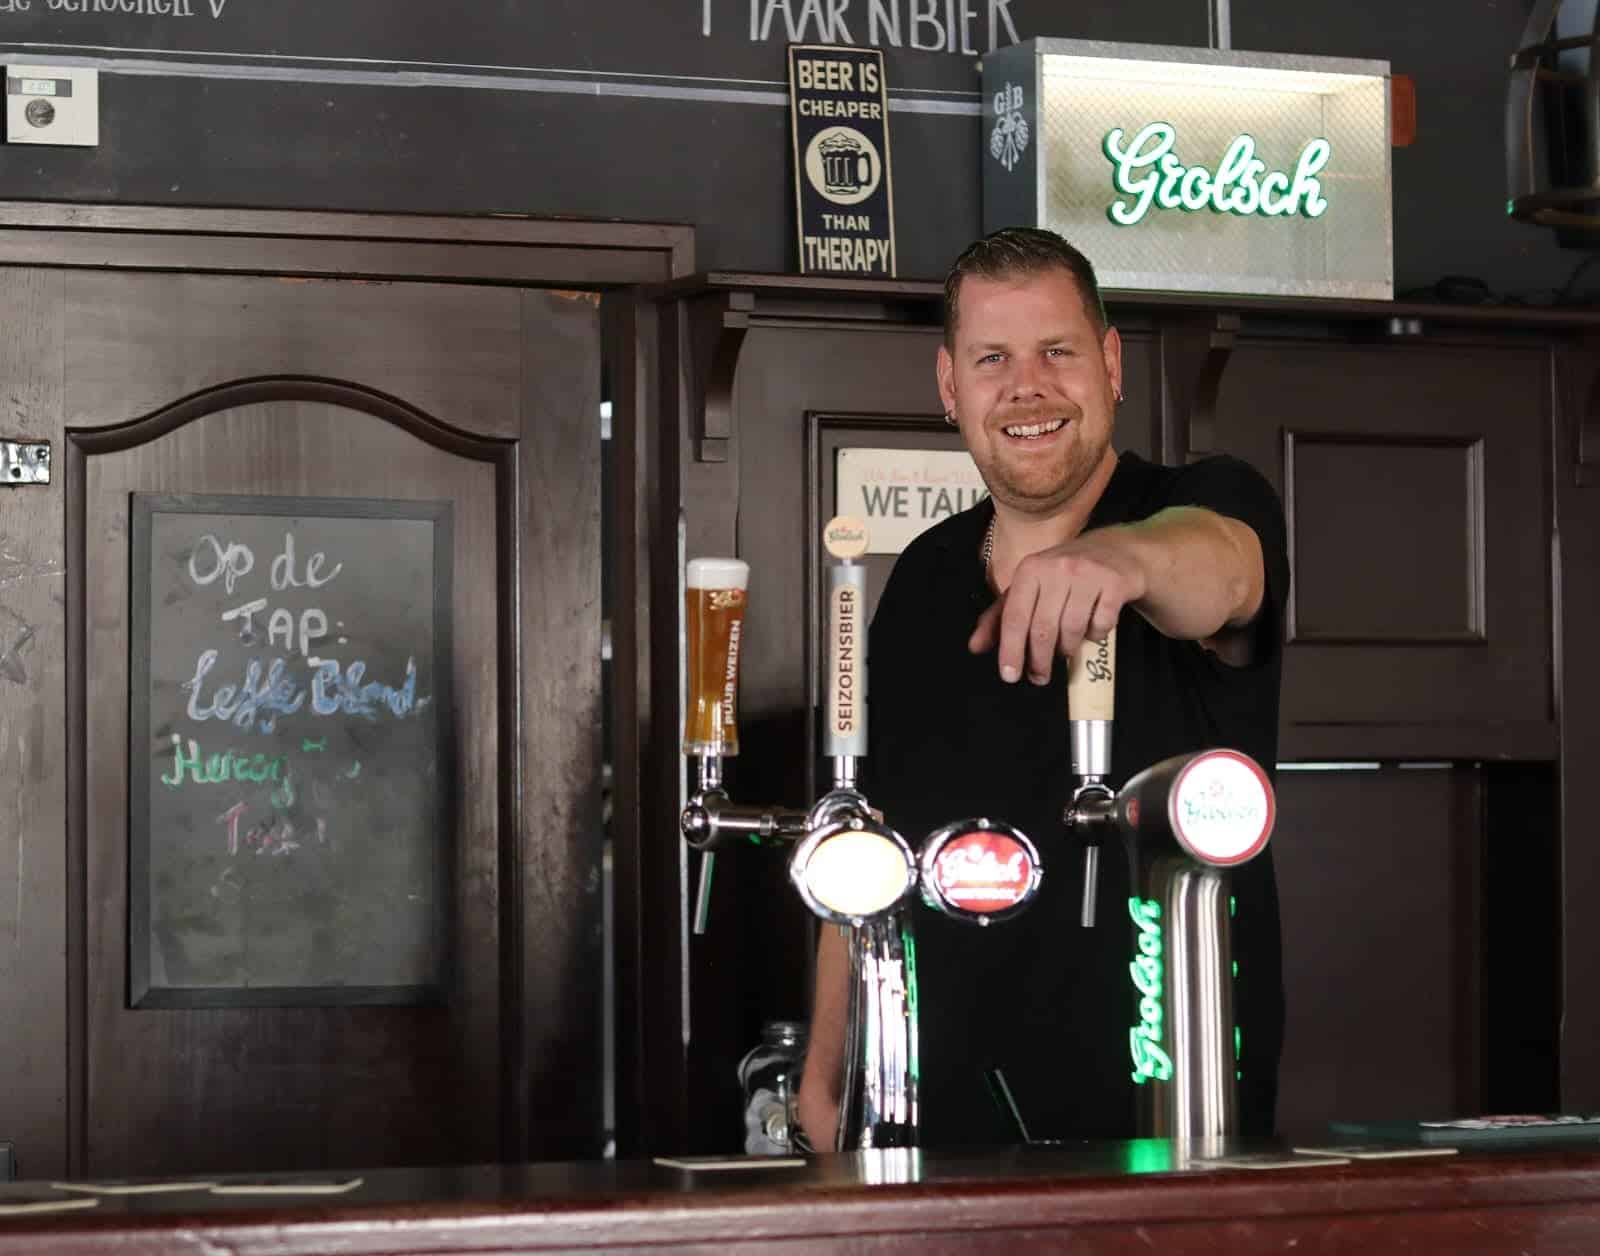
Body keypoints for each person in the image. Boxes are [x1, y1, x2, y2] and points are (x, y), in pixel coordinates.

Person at [796, 226, 1289, 1149]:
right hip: (941, 1136)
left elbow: (1225, 570)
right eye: (993, 359)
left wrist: (1118, 556)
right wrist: (824, 1086)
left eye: (1057, 351)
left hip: (1169, 1127)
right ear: (951, 388)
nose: (1027, 386)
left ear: (1110, 364)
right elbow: (863, 838)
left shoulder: (1205, 502)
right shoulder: (924, 583)